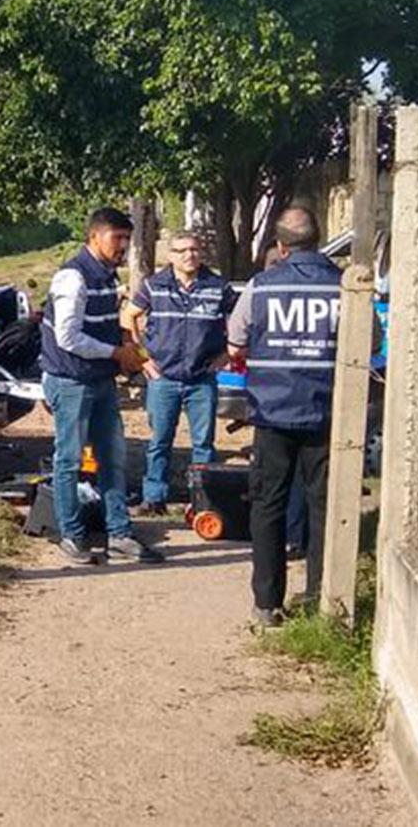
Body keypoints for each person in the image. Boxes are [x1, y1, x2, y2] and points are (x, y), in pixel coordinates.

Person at [227, 206, 340, 627]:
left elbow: (235, 341)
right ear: (319, 238)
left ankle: (266, 603)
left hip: (273, 413)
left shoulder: (260, 287)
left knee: (269, 505)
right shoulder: (344, 287)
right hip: (326, 412)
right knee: (324, 506)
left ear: (280, 246)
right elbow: (368, 342)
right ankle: (322, 599)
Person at [40, 207, 164, 565]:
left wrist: (134, 353)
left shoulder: (107, 277)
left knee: (113, 458)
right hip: (71, 381)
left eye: (127, 238)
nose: (123, 245)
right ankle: (73, 536)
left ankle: (120, 534)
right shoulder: (72, 278)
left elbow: (111, 328)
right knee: (69, 459)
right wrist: (116, 353)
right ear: (94, 237)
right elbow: (68, 338)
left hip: (100, 380)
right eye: (117, 238)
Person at [124, 231, 235, 516]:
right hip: (164, 378)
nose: (190, 255)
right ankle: (154, 498)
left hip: (202, 379)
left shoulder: (218, 287)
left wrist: (227, 356)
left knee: (204, 445)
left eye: (195, 250)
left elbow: (241, 322)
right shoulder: (154, 286)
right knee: (159, 441)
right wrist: (143, 360)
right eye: (182, 250)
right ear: (171, 255)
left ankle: (203, 501)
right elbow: (128, 316)